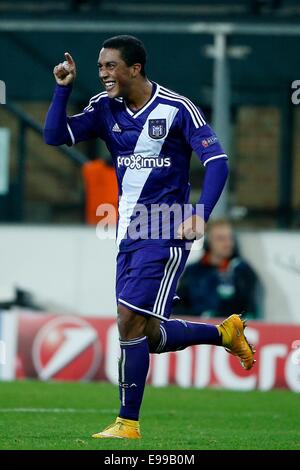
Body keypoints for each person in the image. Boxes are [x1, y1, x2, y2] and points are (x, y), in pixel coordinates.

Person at [44, 35, 255, 440]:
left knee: (128, 322)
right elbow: (55, 136)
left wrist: (200, 213)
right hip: (128, 233)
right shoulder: (104, 110)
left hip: (167, 229)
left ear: (134, 68)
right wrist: (62, 89)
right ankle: (224, 333)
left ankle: (128, 424)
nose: (103, 74)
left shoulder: (177, 109)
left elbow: (217, 161)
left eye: (110, 66)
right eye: (100, 67)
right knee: (146, 334)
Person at [174, 219, 263, 319]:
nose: (228, 243)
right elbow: (179, 308)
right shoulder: (193, 271)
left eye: (230, 238)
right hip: (196, 330)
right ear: (208, 241)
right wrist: (202, 316)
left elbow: (251, 311)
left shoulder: (243, 271)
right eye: (221, 239)